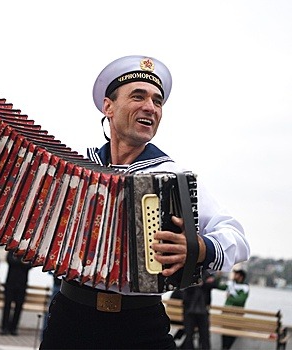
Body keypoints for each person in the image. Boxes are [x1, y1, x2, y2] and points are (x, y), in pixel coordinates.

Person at [40, 55, 250, 349]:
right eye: (138, 96)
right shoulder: (76, 167)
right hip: (69, 317)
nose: (150, 107)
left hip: (139, 324)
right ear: (108, 107)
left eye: (157, 101)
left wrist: (201, 247)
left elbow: (236, 237)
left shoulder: (172, 177)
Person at [180, 271, 217, 349]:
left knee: (204, 334)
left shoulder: (207, 272)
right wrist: (200, 283)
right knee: (189, 334)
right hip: (189, 308)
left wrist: (201, 283)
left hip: (202, 309)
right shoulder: (189, 271)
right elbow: (185, 286)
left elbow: (214, 284)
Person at [0, 250, 32, 336]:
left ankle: (13, 328)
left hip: (22, 285)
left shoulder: (28, 252)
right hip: (10, 283)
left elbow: (30, 265)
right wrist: (21, 262)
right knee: (7, 306)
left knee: (18, 307)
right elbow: (10, 261)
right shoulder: (12, 250)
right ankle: (4, 327)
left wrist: (19, 262)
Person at [216, 269, 250, 349]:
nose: (234, 276)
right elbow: (218, 286)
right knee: (224, 332)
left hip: (236, 314)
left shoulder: (245, 287)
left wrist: (230, 298)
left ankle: (226, 348)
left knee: (232, 333)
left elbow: (241, 300)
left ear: (241, 277)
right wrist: (218, 276)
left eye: (236, 274)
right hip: (226, 312)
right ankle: (224, 347)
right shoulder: (230, 284)